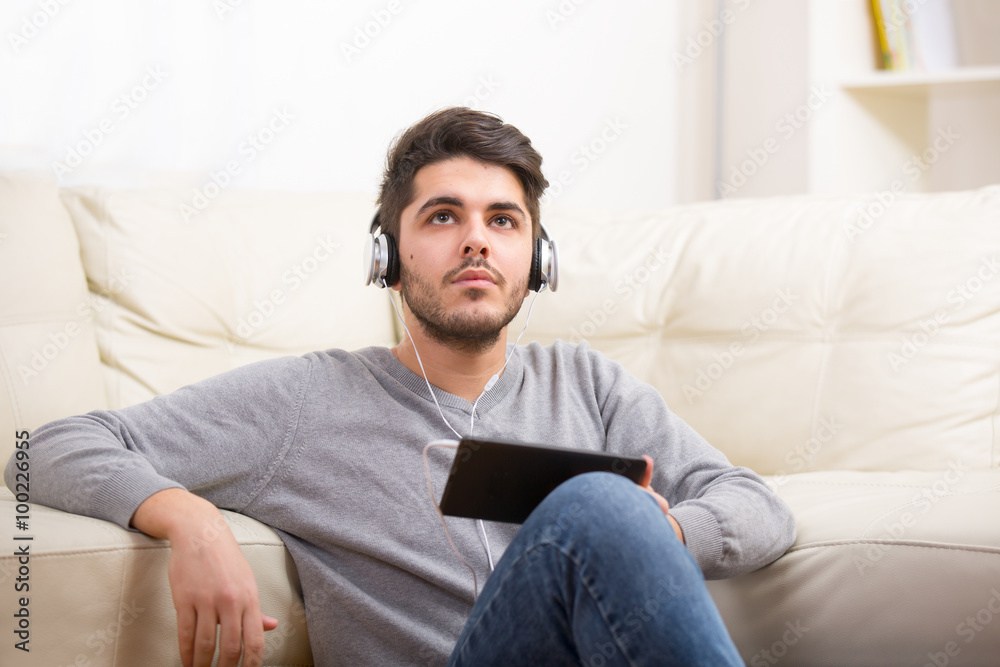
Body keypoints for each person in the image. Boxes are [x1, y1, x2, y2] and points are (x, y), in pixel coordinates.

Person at [6, 107, 796, 667]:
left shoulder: (587, 382)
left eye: (504, 220)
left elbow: (757, 505)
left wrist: (659, 534)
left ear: (539, 261)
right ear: (385, 256)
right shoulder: (306, 401)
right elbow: (41, 448)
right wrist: (188, 517)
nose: (477, 239)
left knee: (605, 510)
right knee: (596, 501)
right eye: (444, 216)